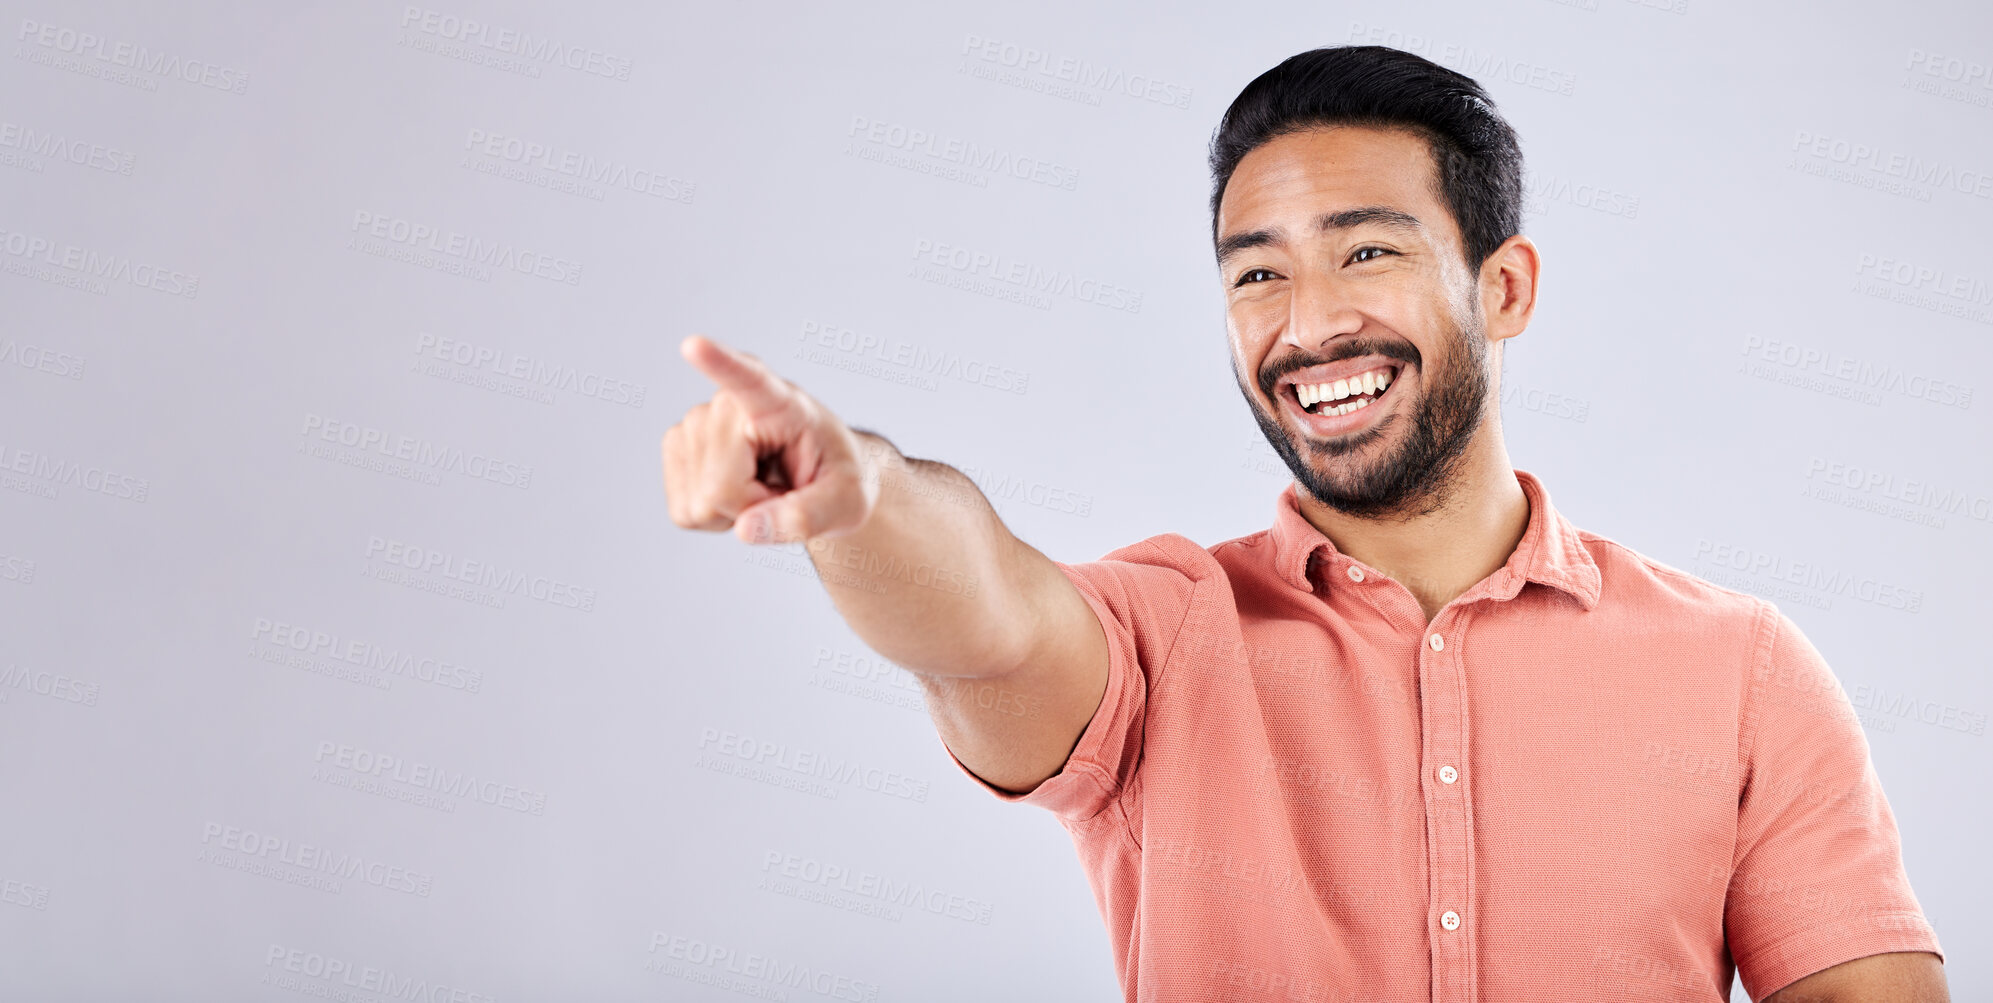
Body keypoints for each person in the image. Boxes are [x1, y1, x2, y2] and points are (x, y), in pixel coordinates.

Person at [662, 44, 1947, 1003]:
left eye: (1366, 252)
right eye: (1257, 272)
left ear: (1502, 287)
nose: (1308, 321)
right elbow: (985, 625)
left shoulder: (1739, 667)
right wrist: (857, 493)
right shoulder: (1165, 633)